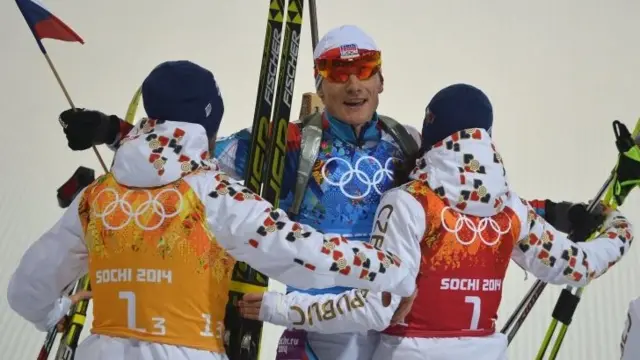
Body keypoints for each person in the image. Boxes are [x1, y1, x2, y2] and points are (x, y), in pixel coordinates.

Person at [54, 27, 575, 360]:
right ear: (320, 82)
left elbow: (473, 199)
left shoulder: (409, 143)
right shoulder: (289, 142)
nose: (353, 85)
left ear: (381, 79)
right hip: (310, 319)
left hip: (393, 320)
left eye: (363, 72)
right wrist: (113, 131)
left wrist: (553, 214)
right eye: (338, 73)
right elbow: (189, 159)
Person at [6, 60, 416, 360]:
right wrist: (395, 272)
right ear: (210, 119)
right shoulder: (214, 196)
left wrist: (54, 312)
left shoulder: (94, 198)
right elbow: (306, 254)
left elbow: (25, 291)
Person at [237, 83, 635, 360]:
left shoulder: (409, 204)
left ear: (430, 134)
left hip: (408, 351)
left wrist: (279, 308)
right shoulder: (511, 211)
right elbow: (578, 265)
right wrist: (620, 228)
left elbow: (377, 306)